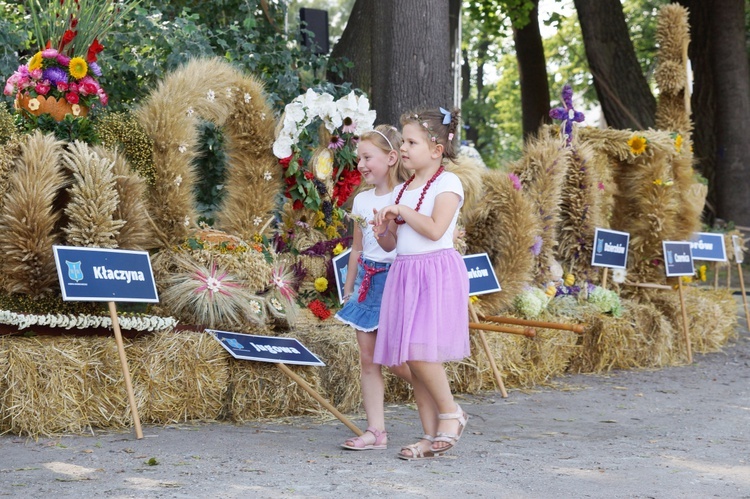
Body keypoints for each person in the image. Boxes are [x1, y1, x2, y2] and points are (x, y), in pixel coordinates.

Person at [371, 107, 470, 460]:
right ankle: (430, 437)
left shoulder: (448, 183)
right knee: (413, 361)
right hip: (406, 273)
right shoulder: (404, 189)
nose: (405, 148)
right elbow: (393, 243)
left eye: (412, 142)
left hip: (434, 273)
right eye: (404, 141)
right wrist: (383, 230)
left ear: (436, 149)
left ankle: (452, 413)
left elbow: (433, 229)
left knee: (419, 351)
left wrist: (402, 213)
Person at [335, 125, 413, 451]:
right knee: (368, 359)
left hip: (395, 279)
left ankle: (443, 404)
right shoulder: (362, 200)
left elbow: (405, 243)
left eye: (368, 157)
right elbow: (356, 249)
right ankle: (376, 431)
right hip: (367, 281)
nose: (361, 165)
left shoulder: (406, 197)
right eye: (358, 159)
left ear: (391, 157)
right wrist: (349, 288)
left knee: (396, 360)